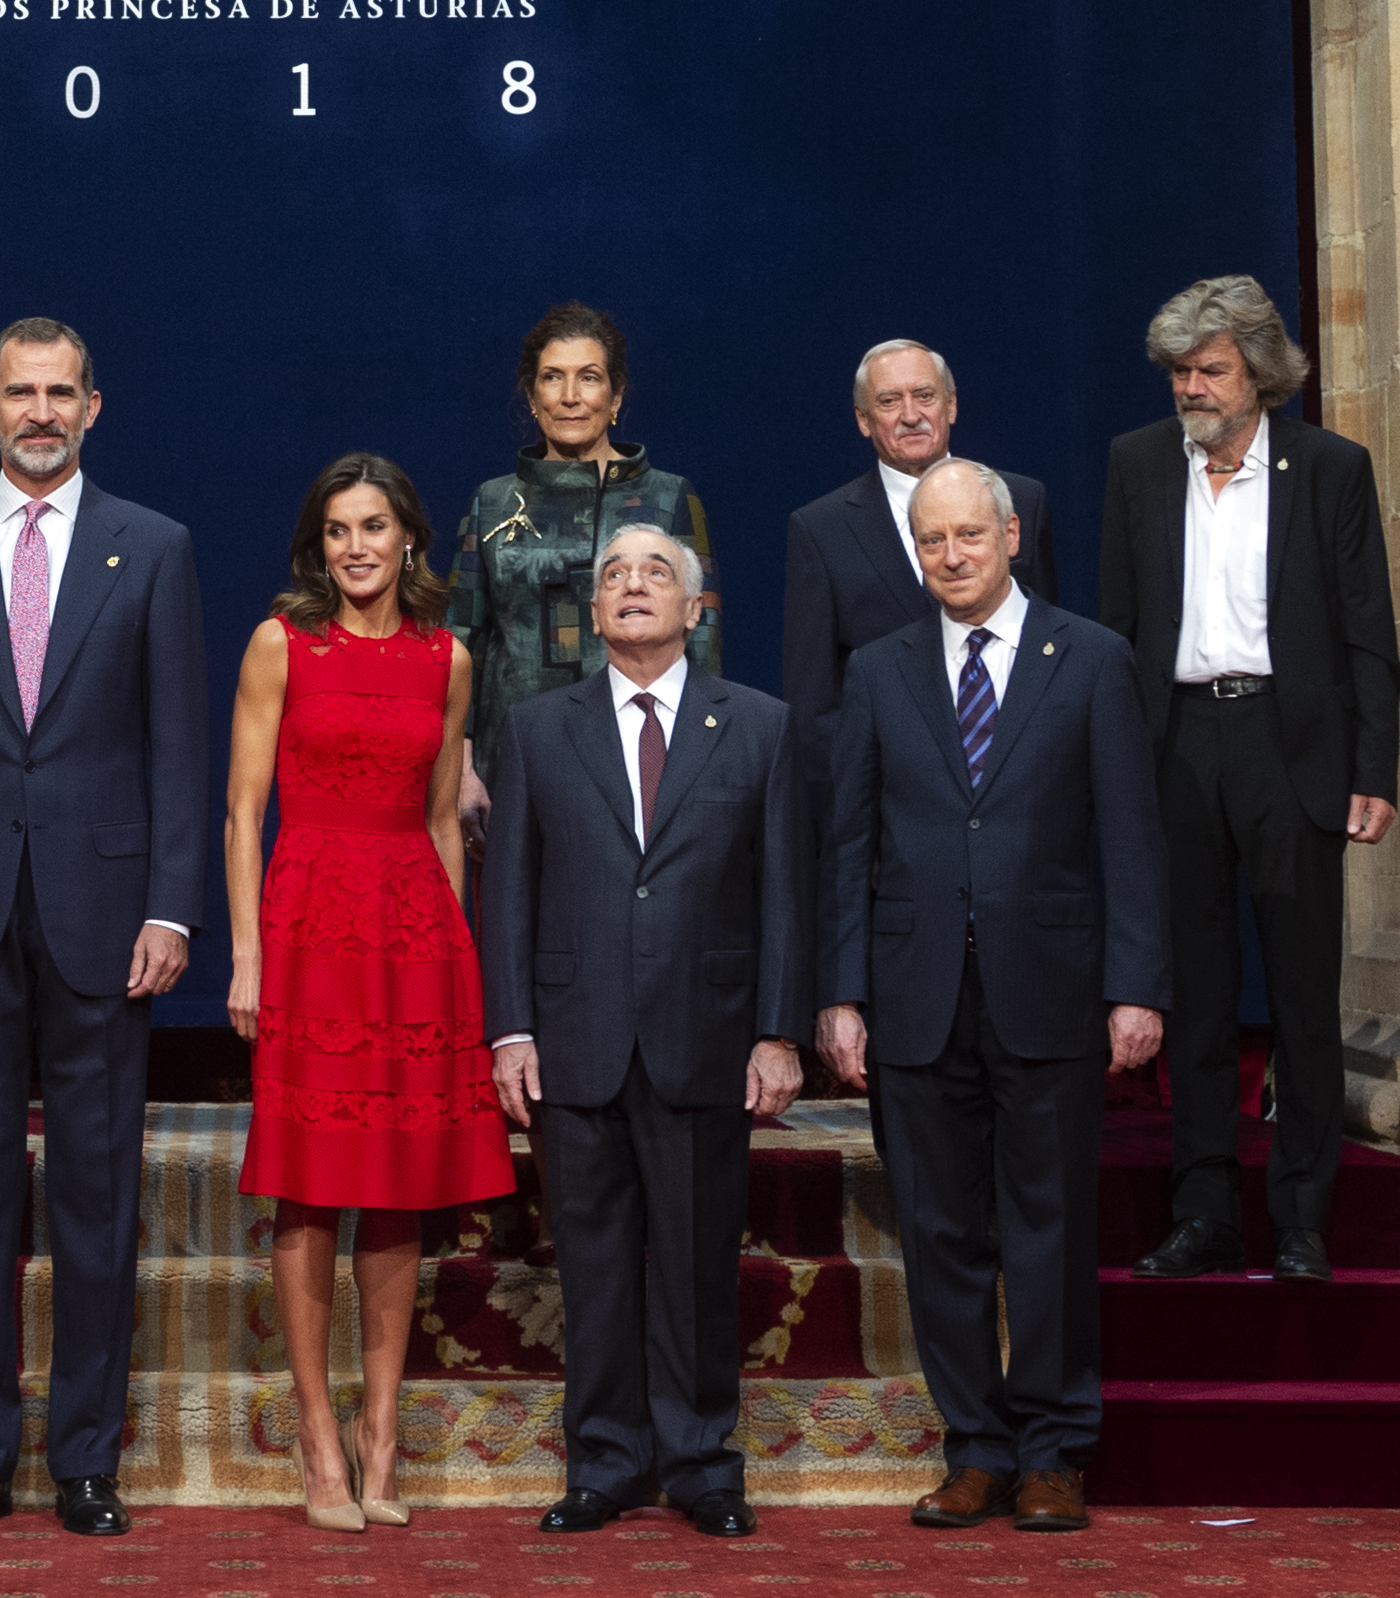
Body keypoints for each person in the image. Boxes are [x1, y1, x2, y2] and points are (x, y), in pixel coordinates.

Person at [0, 317, 207, 1540]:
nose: (42, 411)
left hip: (109, 921)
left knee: (96, 1199)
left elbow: (179, 744)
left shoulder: (152, 548)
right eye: (21, 392)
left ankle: (86, 1460)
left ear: (94, 408)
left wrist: (173, 903)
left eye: (63, 392)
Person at [814, 458, 1169, 1534]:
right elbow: (849, 844)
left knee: (1048, 1228)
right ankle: (974, 1448)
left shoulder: (1093, 659)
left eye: (968, 536)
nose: (951, 557)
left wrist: (1134, 985)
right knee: (938, 1233)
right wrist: (839, 994)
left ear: (1010, 535)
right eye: (931, 542)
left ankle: (1054, 1450)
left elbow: (1131, 839)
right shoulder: (877, 671)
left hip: (1050, 990)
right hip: (915, 996)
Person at [479, 524, 807, 1542]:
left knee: (701, 1263)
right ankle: (604, 1463)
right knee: (593, 1262)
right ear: (592, 609)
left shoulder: (759, 726)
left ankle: (703, 1464)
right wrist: (511, 1030)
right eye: (613, 574)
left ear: (695, 608)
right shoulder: (535, 730)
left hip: (706, 1038)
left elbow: (784, 893)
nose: (631, 586)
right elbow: (510, 896)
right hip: (573, 1041)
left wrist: (777, 1032)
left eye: (654, 573)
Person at [224, 454, 515, 1533]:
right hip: (306, 926)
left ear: (408, 540)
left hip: (413, 934)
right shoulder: (280, 643)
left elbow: (443, 820)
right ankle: (316, 1438)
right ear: (319, 543)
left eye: (374, 527)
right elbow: (241, 811)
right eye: (338, 529)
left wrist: (460, 964)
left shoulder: (450, 655)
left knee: (396, 1190)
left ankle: (382, 1437)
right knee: (309, 1188)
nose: (356, 546)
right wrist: (249, 959)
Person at [1095, 276, 1400, 1283]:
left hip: (1288, 744)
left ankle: (1302, 1218)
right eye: (1180, 372)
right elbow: (1119, 630)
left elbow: (1368, 636)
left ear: (1260, 375)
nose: (1192, 388)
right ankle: (1204, 1213)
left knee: (1304, 993)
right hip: (1176, 742)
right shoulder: (1137, 465)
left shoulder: (1328, 470)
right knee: (1193, 993)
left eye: (1211, 370)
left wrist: (1372, 769)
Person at [450, 300, 722, 831]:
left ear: (616, 396)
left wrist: (702, 767)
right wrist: (461, 770)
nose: (571, 397)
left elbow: (704, 644)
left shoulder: (669, 498)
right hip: (512, 769)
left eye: (589, 378)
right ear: (532, 396)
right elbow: (461, 647)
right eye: (553, 378)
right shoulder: (492, 502)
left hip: (643, 762)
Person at [782, 339, 1056, 732]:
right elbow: (813, 706)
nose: (911, 415)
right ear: (863, 419)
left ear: (951, 405)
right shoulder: (821, 529)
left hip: (1016, 764)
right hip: (890, 780)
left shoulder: (1022, 501)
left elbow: (1048, 648)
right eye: (890, 401)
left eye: (924, 396)